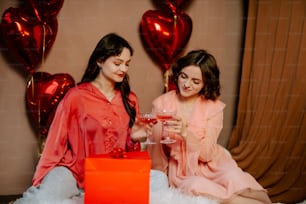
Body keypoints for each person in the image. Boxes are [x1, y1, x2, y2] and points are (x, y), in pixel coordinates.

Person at [14, 33, 147, 203]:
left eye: (127, 64)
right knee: (43, 199)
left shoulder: (130, 99)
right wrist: (41, 181)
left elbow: (129, 154)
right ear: (99, 61)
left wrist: (134, 139)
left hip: (111, 174)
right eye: (117, 63)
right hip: (74, 171)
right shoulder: (76, 96)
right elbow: (56, 140)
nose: (123, 69)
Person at [147, 49, 272, 204]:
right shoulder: (161, 104)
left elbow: (207, 154)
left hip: (213, 164)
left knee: (234, 178)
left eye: (196, 81)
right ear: (178, 74)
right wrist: (160, 179)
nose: (186, 84)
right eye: (183, 76)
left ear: (206, 83)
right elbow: (156, 152)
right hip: (182, 172)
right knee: (196, 185)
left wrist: (186, 133)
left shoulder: (214, 108)